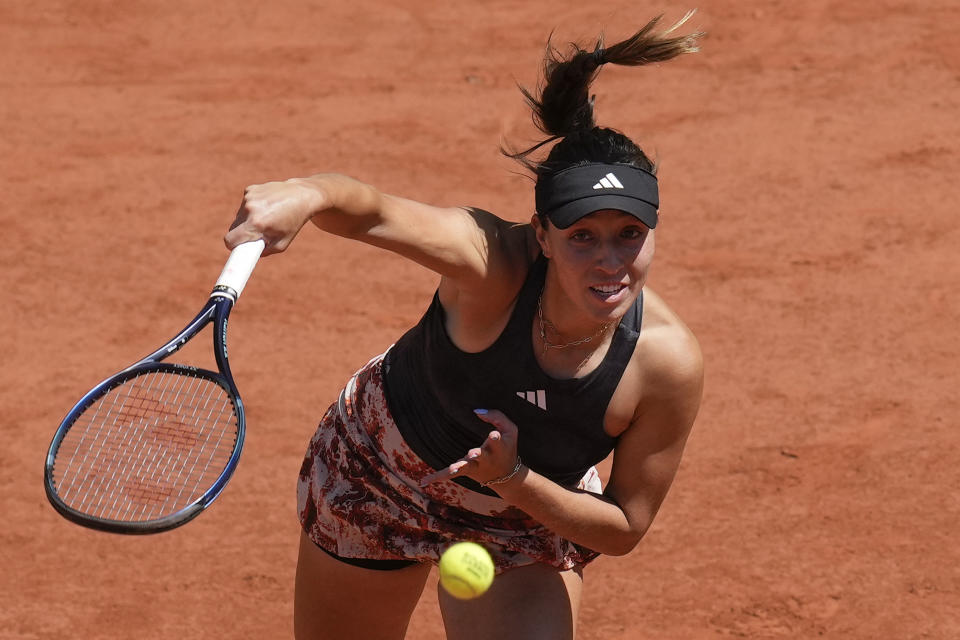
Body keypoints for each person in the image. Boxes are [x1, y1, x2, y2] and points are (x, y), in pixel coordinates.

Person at [225, 13, 705, 640]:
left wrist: (511, 477)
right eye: (582, 236)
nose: (610, 262)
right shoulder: (489, 262)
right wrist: (307, 193)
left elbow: (624, 528)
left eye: (630, 235)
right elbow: (369, 209)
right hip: (379, 471)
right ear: (542, 236)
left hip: (527, 510)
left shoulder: (665, 363)